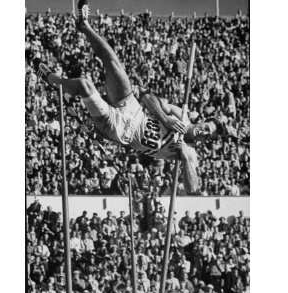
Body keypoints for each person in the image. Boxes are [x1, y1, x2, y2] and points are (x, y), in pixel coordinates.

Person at [34, 1, 226, 194]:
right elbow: (149, 98)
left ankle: (51, 79)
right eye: (207, 128)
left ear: (206, 141)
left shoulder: (190, 153)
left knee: (84, 85)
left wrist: (183, 156)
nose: (205, 132)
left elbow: (193, 188)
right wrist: (166, 119)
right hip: (133, 108)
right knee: (113, 62)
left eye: (209, 135)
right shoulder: (181, 115)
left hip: (121, 130)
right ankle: (85, 26)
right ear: (203, 122)